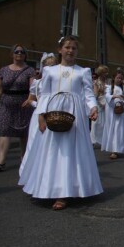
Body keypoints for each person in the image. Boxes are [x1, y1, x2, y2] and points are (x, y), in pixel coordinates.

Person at [18, 36, 103, 210]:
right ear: (60, 49)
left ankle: (65, 192)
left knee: (71, 151)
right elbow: (45, 94)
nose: (70, 51)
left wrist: (93, 108)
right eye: (67, 47)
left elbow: (88, 94)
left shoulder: (83, 71)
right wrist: (41, 116)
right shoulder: (50, 71)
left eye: (73, 48)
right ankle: (48, 188)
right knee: (52, 150)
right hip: (53, 110)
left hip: (75, 113)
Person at [19, 53, 59, 176]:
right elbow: (31, 99)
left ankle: (50, 172)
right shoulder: (38, 83)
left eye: (53, 66)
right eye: (48, 66)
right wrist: (33, 103)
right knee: (35, 143)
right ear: (43, 68)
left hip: (54, 114)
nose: (50, 69)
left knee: (53, 145)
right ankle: (31, 172)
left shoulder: (58, 83)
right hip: (40, 115)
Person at [0, 44, 35, 171]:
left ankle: (24, 159)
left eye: (22, 52)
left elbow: (33, 89)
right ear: (12, 54)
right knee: (4, 130)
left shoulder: (29, 70)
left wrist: (30, 99)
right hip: (6, 104)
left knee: (24, 133)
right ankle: (1, 161)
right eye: (16, 51)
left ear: (25, 55)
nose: (19, 53)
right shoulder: (3, 70)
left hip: (23, 104)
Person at [101, 71, 124, 160]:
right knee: (111, 130)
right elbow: (107, 96)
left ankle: (116, 150)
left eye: (121, 78)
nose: (119, 80)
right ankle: (112, 148)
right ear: (114, 78)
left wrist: (123, 102)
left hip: (120, 112)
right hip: (111, 112)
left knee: (118, 130)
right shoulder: (109, 87)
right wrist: (116, 96)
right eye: (118, 78)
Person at [90, 65, 109, 146]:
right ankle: (93, 140)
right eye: (105, 72)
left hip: (107, 102)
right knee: (97, 123)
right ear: (101, 73)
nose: (106, 74)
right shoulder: (96, 83)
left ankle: (103, 140)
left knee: (105, 123)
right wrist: (101, 104)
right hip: (99, 103)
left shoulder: (108, 82)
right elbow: (95, 95)